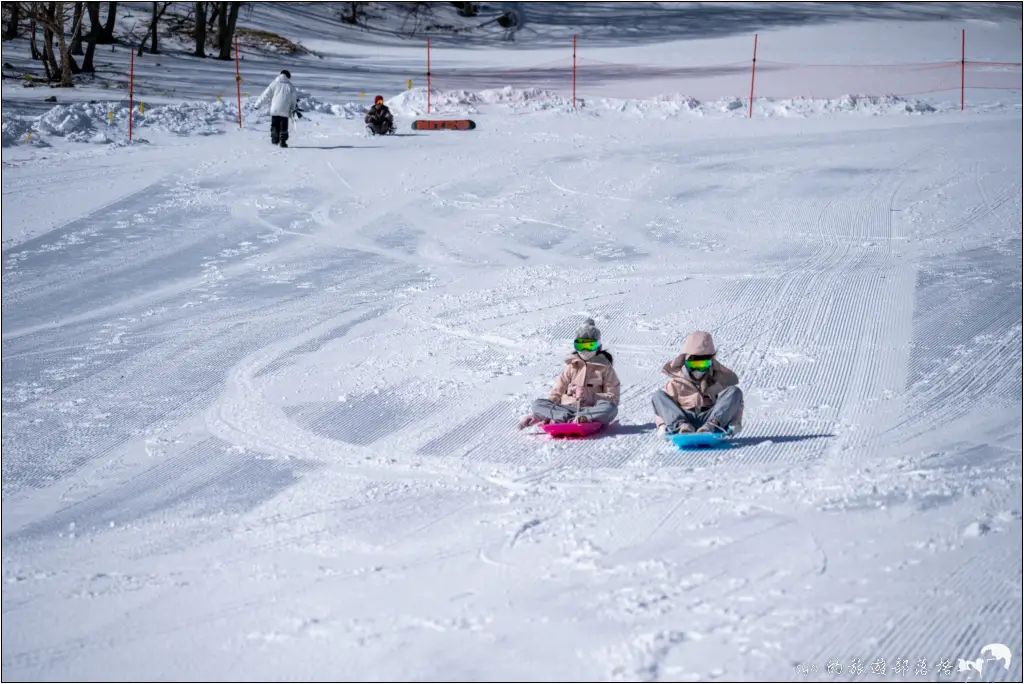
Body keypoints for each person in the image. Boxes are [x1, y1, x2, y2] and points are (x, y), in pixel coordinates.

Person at [519, 318, 621, 429]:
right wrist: (540, 414)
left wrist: (587, 394)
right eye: (581, 346)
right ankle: (570, 419)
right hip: (566, 409)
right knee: (537, 404)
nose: (585, 350)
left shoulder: (605, 368)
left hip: (591, 410)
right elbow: (557, 392)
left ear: (598, 347)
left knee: (610, 408)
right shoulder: (571, 366)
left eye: (590, 345)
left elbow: (613, 398)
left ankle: (579, 418)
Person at [652, 331, 744, 436]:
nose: (698, 369)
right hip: (686, 417)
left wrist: (735, 422)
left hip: (710, 417)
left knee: (734, 391)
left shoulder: (719, 379)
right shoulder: (676, 382)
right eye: (693, 365)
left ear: (710, 363)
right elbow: (665, 409)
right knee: (658, 396)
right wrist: (662, 425)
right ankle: (682, 426)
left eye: (703, 364)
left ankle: (712, 426)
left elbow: (733, 404)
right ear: (685, 363)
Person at [255, 69, 301, 148]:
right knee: (284, 127)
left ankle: (274, 139)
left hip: (275, 109)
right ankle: (283, 141)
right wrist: (293, 108)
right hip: (285, 110)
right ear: (288, 76)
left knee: (275, 125)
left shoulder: (274, 84)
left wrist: (257, 104)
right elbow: (293, 99)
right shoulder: (290, 86)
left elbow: (265, 95)